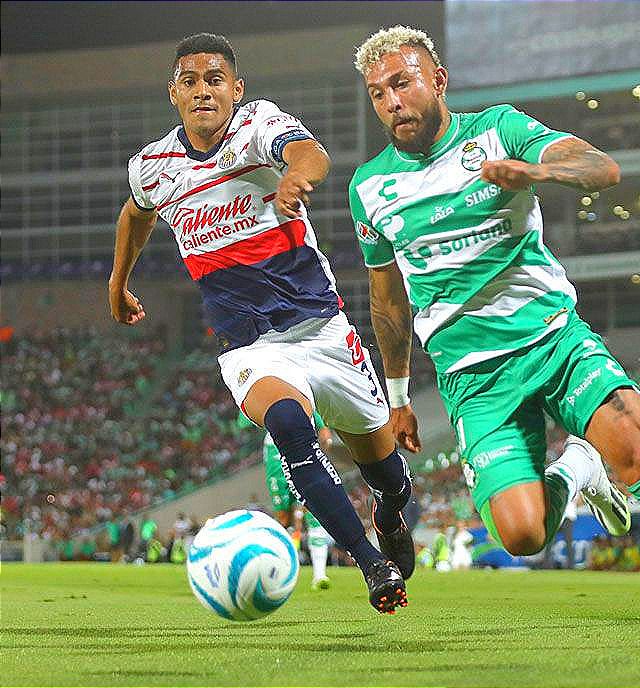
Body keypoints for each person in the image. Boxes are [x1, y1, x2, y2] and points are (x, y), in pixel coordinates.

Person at [350, 26, 640, 647]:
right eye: (378, 93)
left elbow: (601, 167)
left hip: (552, 340)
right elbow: (387, 301)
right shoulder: (370, 187)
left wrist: (534, 170)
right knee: (523, 536)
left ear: (438, 81)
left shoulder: (498, 129)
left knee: (636, 448)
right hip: (473, 378)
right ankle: (578, 467)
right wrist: (397, 396)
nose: (392, 101)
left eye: (403, 82)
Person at [109, 33, 414, 613]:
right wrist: (118, 282)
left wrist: (296, 176)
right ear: (174, 93)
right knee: (291, 428)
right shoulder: (152, 167)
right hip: (250, 346)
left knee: (387, 473)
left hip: (321, 329)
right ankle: (371, 564)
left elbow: (310, 153)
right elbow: (135, 214)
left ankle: (392, 512)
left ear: (236, 89)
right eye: (191, 81)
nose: (204, 91)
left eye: (215, 79)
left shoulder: (257, 126)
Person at [264, 411, 334, 590]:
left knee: (314, 511)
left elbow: (323, 430)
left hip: (304, 448)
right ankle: (279, 568)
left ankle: (319, 575)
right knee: (283, 518)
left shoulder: (307, 396)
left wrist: (323, 434)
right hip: (275, 452)